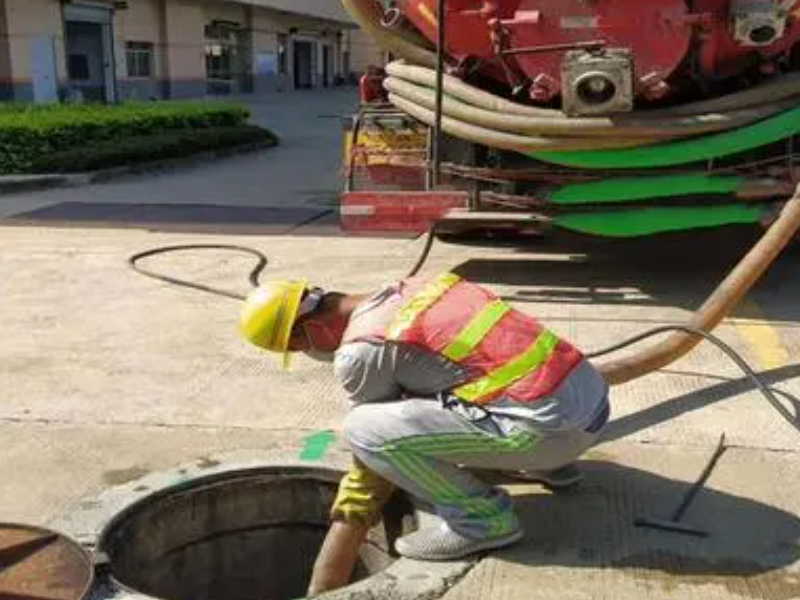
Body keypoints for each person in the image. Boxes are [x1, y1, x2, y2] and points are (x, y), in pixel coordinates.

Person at [240, 272, 610, 561]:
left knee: (363, 429)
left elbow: (376, 439)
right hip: (592, 405)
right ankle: (550, 467)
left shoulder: (360, 351)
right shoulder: (420, 287)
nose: (309, 354)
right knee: (449, 383)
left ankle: (482, 521)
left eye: (300, 346)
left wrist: (355, 502)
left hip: (547, 434)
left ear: (312, 328)